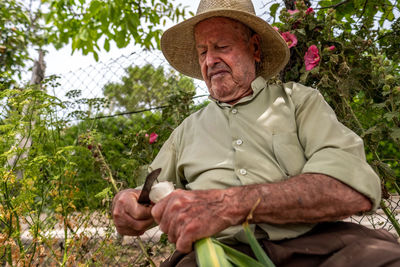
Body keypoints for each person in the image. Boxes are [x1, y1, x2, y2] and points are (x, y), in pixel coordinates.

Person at [112, 0, 400, 266]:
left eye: (221, 46)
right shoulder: (186, 131)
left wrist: (228, 205)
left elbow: (351, 188)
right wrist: (128, 204)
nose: (210, 60)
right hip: (217, 254)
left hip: (317, 246)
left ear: (255, 49)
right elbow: (145, 198)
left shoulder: (299, 102)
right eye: (203, 51)